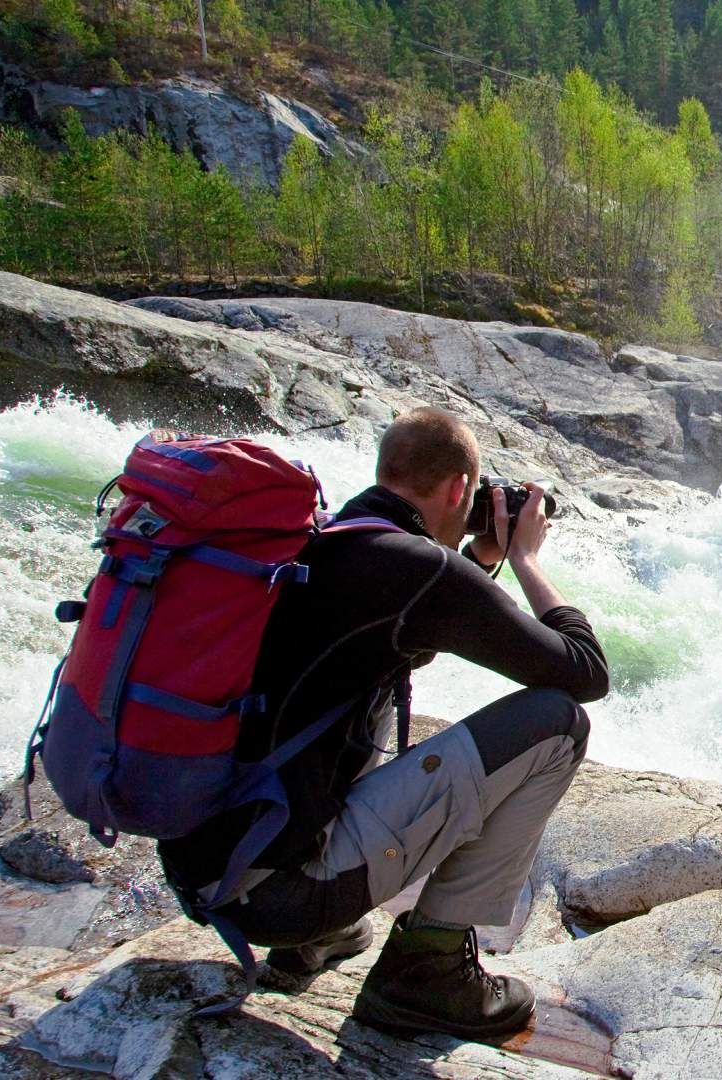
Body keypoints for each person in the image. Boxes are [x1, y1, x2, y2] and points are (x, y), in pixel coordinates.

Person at [155, 407, 609, 1040]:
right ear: (458, 490)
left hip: (206, 869)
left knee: (344, 707)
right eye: (472, 496)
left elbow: (410, 627)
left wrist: (474, 555)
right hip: (276, 895)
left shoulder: (325, 537)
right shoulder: (418, 571)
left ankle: (321, 937)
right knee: (559, 723)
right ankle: (430, 971)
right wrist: (526, 559)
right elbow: (585, 672)